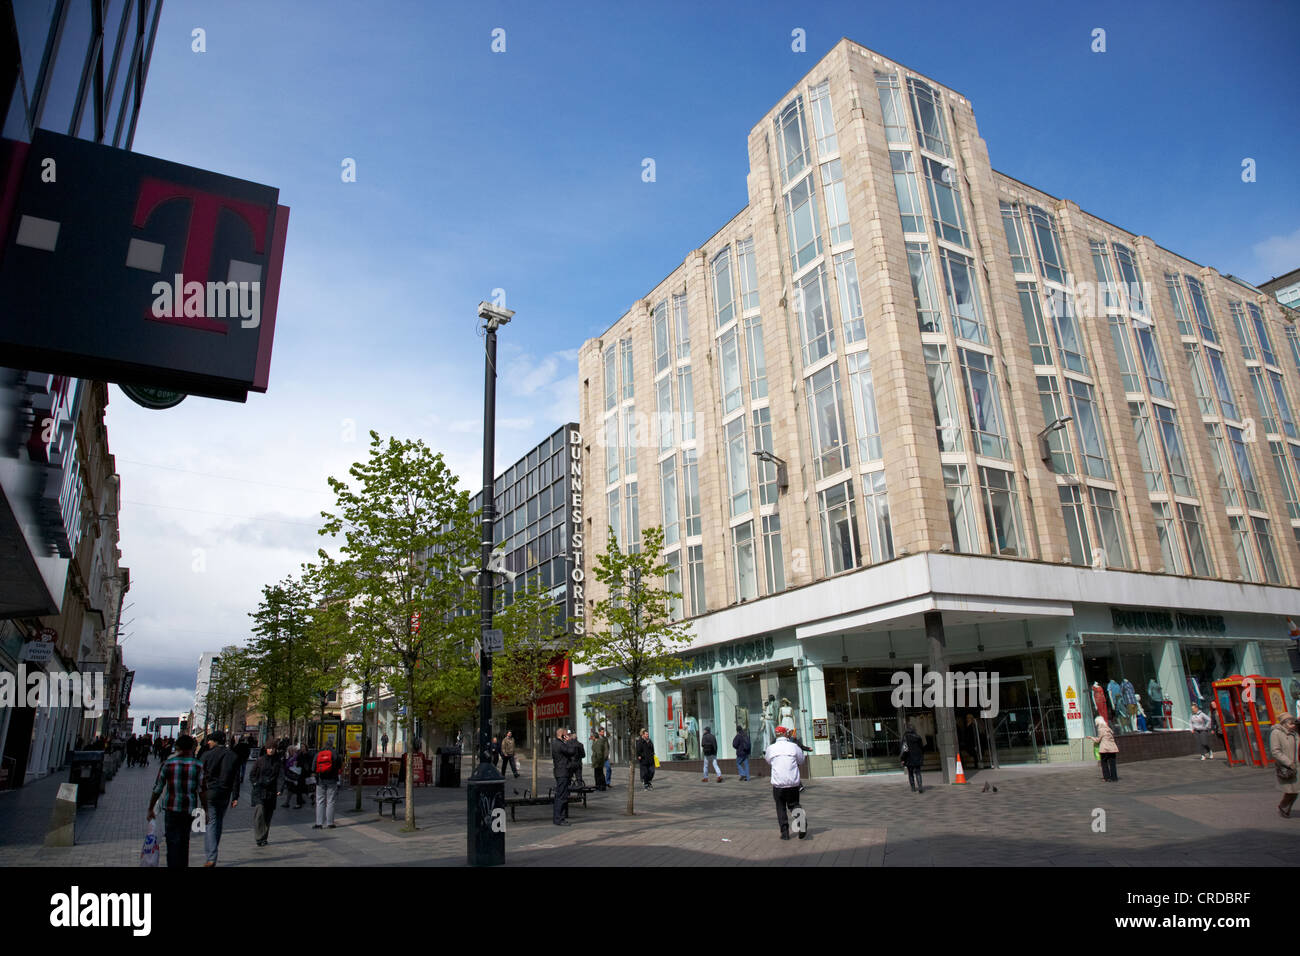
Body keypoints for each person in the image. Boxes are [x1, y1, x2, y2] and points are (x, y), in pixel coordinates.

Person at [147, 735, 208, 868]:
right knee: (184, 842)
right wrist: (205, 809)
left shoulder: (168, 764)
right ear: (192, 748)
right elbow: (202, 790)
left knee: (172, 842)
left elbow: (158, 788)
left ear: (177, 747)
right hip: (189, 810)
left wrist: (151, 808)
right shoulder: (198, 765)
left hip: (171, 808)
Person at [199, 731, 239, 866]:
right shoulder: (232, 755)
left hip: (210, 792)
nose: (208, 742)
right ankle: (213, 853)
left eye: (210, 740)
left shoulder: (207, 755)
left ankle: (211, 857)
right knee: (219, 822)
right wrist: (236, 796)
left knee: (211, 823)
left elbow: (200, 775)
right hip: (225, 793)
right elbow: (235, 777)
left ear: (215, 741)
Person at [764, 727, 806, 840]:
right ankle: (801, 823)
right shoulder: (794, 746)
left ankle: (785, 833)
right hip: (793, 782)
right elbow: (801, 760)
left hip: (778, 783)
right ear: (785, 734)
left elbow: (768, 761)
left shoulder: (771, 748)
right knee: (794, 804)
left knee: (780, 807)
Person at [249, 743, 284, 846]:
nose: (271, 750)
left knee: (268, 815)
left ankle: (264, 837)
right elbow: (252, 775)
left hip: (271, 791)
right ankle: (259, 837)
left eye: (273, 748)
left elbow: (281, 776)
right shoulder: (260, 760)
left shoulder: (278, 762)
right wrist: (255, 783)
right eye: (269, 748)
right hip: (260, 790)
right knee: (259, 814)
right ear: (266, 749)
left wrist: (279, 788)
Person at [1270, 711, 1299, 818]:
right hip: (1287, 766)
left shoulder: (1295, 732)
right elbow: (1275, 751)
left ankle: (1284, 807)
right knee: (1292, 791)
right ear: (1284, 723)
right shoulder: (1276, 733)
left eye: (1294, 723)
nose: (1293, 725)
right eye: (1291, 724)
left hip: (1297, 764)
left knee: (1295, 790)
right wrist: (1288, 762)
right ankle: (1283, 806)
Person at [551, 727, 580, 826]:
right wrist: (570, 741)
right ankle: (559, 819)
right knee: (561, 796)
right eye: (565, 734)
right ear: (562, 735)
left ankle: (560, 818)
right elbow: (571, 751)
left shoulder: (556, 743)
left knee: (561, 795)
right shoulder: (560, 744)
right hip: (562, 772)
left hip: (560, 772)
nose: (567, 736)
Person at [312, 739, 341, 829]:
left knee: (320, 801)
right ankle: (330, 823)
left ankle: (319, 823)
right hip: (332, 780)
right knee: (330, 801)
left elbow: (313, 767)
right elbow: (339, 766)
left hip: (320, 780)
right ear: (332, 745)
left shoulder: (319, 753)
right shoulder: (335, 754)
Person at [1090, 715, 1119, 782]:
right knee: (1112, 764)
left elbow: (1098, 740)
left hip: (1104, 748)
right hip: (1112, 747)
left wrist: (1091, 738)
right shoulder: (1108, 728)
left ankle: (1107, 777)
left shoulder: (1101, 729)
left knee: (1104, 763)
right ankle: (1114, 777)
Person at [900, 723, 924, 793]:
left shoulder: (905, 737)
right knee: (918, 772)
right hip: (917, 757)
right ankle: (920, 786)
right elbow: (922, 748)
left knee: (910, 773)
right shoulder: (918, 737)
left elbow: (904, 749)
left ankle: (913, 787)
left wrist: (902, 759)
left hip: (909, 758)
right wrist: (921, 756)